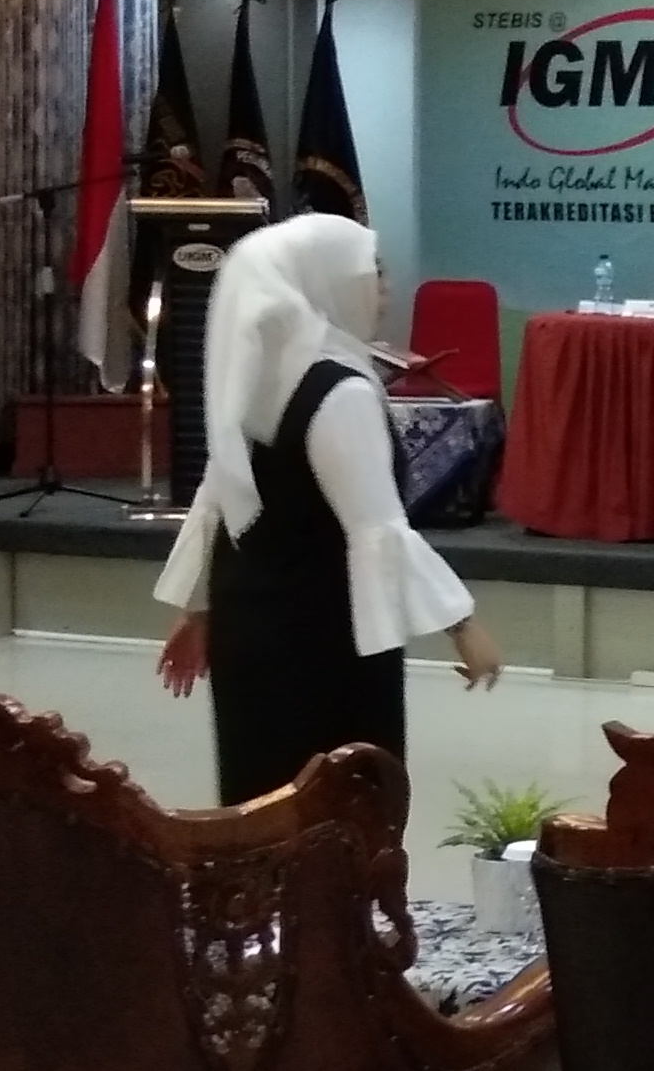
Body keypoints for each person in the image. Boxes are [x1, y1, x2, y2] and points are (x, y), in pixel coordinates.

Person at [154, 213, 503, 805]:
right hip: (322, 635)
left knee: (261, 799)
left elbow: (222, 500)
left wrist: (202, 610)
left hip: (249, 622)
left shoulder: (261, 373)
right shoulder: (340, 393)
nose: (385, 289)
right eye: (374, 273)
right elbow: (377, 527)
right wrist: (463, 627)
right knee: (338, 805)